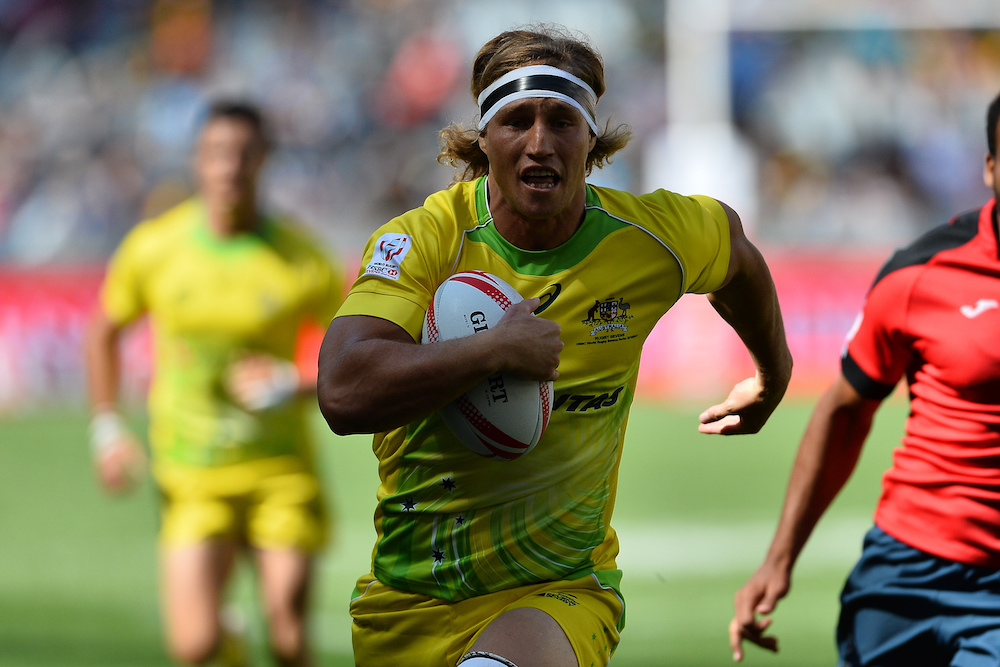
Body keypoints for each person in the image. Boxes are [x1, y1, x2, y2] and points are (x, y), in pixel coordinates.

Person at [317, 26, 792, 667]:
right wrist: (493, 352)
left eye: (562, 121)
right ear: (484, 139)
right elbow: (343, 391)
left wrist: (774, 373)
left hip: (560, 591)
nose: (540, 143)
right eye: (516, 120)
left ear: (591, 140)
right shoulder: (427, 239)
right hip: (409, 600)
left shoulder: (649, 238)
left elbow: (735, 253)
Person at [730, 91, 1000, 666]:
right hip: (904, 567)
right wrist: (779, 559)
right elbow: (845, 412)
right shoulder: (922, 272)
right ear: (990, 167)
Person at [85, 100, 344, 667]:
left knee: (289, 640)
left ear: (266, 160)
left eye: (245, 154)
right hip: (191, 472)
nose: (231, 167)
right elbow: (103, 331)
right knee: (195, 647)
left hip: (280, 472)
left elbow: (355, 354)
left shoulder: (301, 258)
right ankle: (224, 634)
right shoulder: (155, 248)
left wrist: (293, 384)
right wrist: (107, 428)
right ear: (197, 162)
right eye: (218, 154)